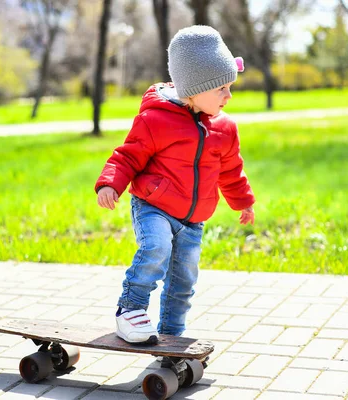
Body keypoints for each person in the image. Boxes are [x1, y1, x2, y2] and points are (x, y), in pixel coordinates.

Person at [95, 25, 255, 344]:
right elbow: (127, 155)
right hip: (154, 207)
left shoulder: (224, 129)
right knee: (156, 247)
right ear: (194, 90)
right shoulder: (156, 119)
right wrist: (109, 183)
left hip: (193, 221)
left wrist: (243, 201)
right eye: (221, 89)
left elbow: (231, 170)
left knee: (183, 281)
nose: (229, 96)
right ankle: (130, 310)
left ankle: (172, 337)